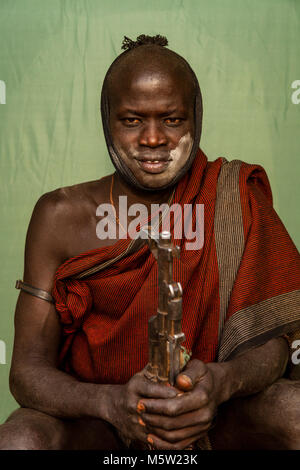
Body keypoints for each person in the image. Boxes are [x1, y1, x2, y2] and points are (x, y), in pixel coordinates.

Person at [0, 34, 299, 450]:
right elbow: (26, 371)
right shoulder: (60, 215)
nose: (153, 139)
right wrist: (110, 402)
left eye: (172, 120)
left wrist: (219, 383)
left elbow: (276, 343)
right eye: (132, 120)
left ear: (196, 117)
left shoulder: (234, 197)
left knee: (294, 410)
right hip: (99, 423)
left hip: (213, 416)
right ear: (108, 120)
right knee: (17, 439)